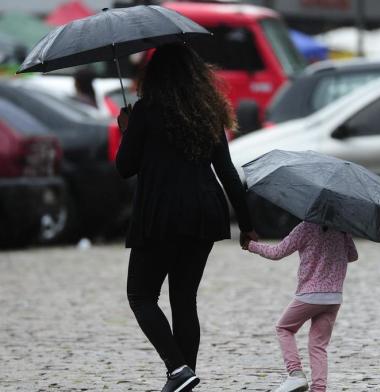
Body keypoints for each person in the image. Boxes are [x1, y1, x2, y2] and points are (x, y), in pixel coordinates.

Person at [115, 43, 257, 392]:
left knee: (141, 296)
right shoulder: (207, 114)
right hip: (204, 214)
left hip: (161, 214)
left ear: (155, 75)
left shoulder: (146, 111)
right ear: (196, 76)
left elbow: (124, 167)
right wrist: (248, 222)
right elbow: (227, 172)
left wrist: (127, 129)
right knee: (183, 299)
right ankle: (183, 377)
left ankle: (178, 370)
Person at [242, 221, 358, 392]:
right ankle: (319, 388)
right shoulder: (342, 229)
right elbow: (353, 256)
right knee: (318, 345)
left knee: (284, 328)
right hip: (333, 297)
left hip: (310, 294)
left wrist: (250, 245)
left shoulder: (305, 227)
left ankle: (295, 373)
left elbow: (277, 252)